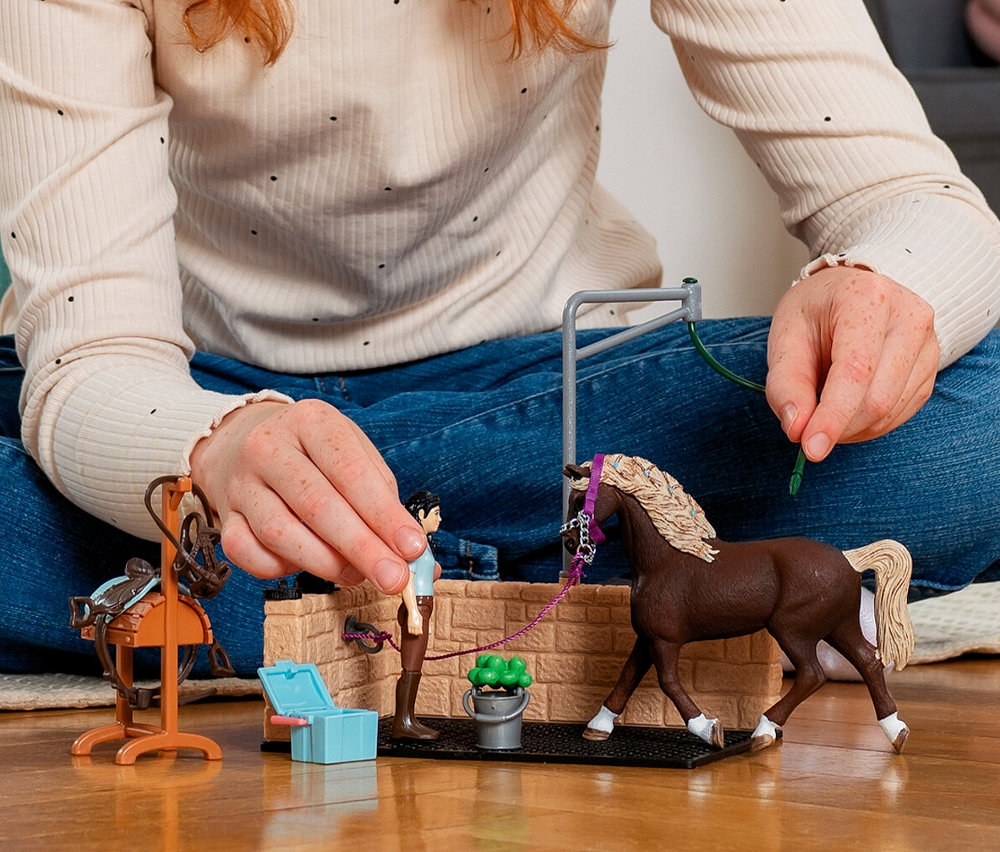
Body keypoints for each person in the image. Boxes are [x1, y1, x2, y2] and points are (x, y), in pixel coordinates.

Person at [1, 1, 999, 679]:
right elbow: (95, 363)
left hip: (532, 387)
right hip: (197, 406)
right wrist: (218, 448)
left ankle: (315, 595)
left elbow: (911, 202)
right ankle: (584, 597)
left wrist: (884, 287)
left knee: (977, 415)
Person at [392, 490, 443, 741]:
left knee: (415, 665)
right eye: (435, 513)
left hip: (424, 605)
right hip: (418, 606)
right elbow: (406, 580)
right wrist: (413, 612)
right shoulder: (414, 545)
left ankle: (407, 719)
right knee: (410, 666)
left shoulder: (424, 544)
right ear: (420, 514)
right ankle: (403, 722)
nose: (440, 519)